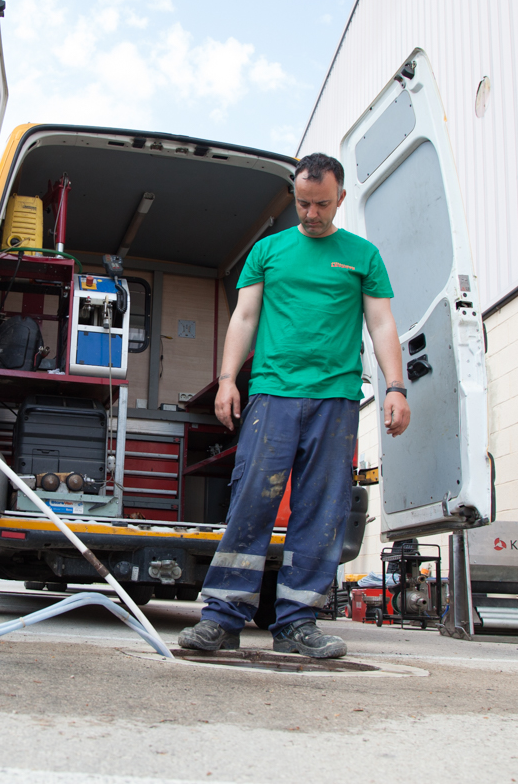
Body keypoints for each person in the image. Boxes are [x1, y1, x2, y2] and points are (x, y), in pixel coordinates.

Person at [178, 153, 411, 658]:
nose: (311, 213)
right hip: (273, 393)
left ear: (340, 199)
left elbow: (382, 325)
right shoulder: (268, 251)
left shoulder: (363, 255)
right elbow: (243, 318)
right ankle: (221, 618)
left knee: (321, 509)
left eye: (322, 204)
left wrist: (396, 387)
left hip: (337, 399)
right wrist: (226, 381)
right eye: (303, 203)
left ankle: (298, 622)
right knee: (251, 502)